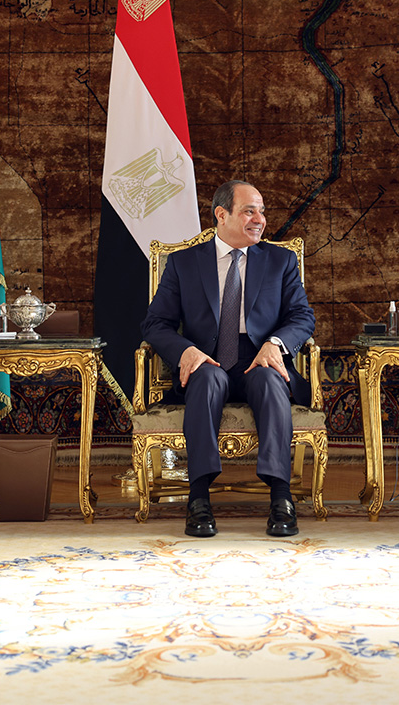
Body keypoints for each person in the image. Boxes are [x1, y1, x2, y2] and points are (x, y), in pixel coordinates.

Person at [142, 180, 316, 538]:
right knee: (206, 380)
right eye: (249, 211)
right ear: (222, 215)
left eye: (262, 211)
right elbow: (155, 323)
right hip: (207, 361)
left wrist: (276, 343)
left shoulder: (279, 261)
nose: (260, 219)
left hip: (259, 358)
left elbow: (302, 316)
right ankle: (198, 498)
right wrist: (185, 351)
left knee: (271, 380)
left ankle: (281, 497)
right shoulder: (184, 264)